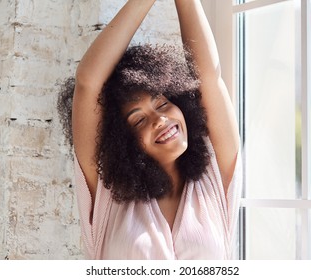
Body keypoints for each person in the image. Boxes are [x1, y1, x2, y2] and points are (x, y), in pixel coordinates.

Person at [57, 0, 241, 260]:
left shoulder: (214, 177)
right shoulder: (108, 195)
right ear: (122, 141)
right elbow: (88, 82)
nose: (160, 120)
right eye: (138, 120)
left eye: (163, 103)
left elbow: (209, 76)